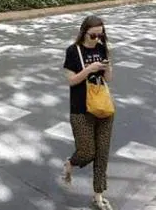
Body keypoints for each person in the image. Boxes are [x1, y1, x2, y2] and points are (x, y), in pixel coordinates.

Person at [62, 15, 115, 210]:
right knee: (86, 152)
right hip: (81, 109)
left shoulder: (102, 48)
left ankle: (98, 197)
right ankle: (70, 163)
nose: (96, 39)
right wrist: (90, 69)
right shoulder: (73, 51)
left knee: (102, 154)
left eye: (100, 36)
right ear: (84, 32)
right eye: (93, 35)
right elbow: (71, 80)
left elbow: (108, 79)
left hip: (103, 108)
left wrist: (107, 66)